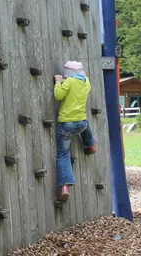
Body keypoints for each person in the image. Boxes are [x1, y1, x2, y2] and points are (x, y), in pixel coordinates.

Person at [53, 61, 97, 201]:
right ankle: (90, 144)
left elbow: (58, 95)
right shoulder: (87, 82)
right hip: (81, 122)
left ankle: (65, 186)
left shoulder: (69, 82)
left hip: (66, 124)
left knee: (63, 155)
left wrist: (58, 82)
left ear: (68, 73)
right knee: (84, 124)